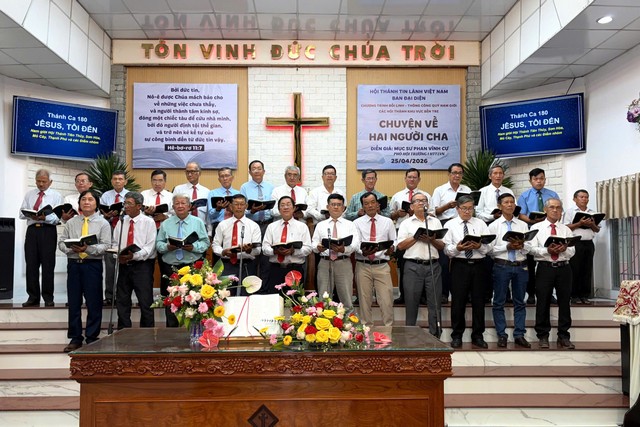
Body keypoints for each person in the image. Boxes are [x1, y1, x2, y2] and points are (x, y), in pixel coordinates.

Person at [58, 189, 111, 352]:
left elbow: (106, 245)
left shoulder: (103, 223)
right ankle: (75, 338)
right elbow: (61, 242)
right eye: (83, 199)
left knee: (94, 302)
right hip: (74, 264)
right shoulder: (71, 222)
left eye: (90, 199)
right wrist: (70, 249)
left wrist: (88, 249)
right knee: (74, 302)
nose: (86, 202)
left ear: (96, 203)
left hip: (92, 265)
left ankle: (92, 337)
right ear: (79, 203)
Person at [443, 195, 492, 349]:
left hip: (479, 265)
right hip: (460, 265)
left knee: (479, 301)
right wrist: (458, 248)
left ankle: (478, 335)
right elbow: (446, 249)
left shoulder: (481, 224)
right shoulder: (450, 225)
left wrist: (479, 246)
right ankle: (457, 335)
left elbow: (489, 247)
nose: (467, 211)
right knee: (458, 301)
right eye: (464, 208)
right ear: (457, 209)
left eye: (470, 208)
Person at [156, 194, 210, 327]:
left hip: (192, 266)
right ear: (173, 207)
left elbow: (205, 242)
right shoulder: (166, 224)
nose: (180, 206)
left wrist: (193, 247)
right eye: (177, 203)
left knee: (193, 299)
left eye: (183, 203)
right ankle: (171, 330)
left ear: (189, 206)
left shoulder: (197, 222)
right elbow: (158, 244)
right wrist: (167, 247)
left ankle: (193, 329)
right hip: (171, 267)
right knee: (171, 301)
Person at [529, 198, 576, 349]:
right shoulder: (536, 228)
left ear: (561, 210)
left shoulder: (566, 229)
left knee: (564, 302)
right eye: (552, 207)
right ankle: (543, 335)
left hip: (564, 268)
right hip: (545, 267)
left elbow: (572, 250)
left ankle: (563, 335)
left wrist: (564, 250)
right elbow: (530, 249)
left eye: (558, 208)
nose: (555, 210)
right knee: (543, 301)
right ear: (545, 210)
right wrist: (546, 251)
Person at [396, 193, 444, 338]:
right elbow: (400, 246)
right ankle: (410, 337)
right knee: (411, 303)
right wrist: (417, 236)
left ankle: (435, 336)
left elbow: (442, 246)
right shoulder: (406, 223)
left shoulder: (435, 222)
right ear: (411, 206)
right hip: (412, 266)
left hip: (433, 266)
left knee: (435, 303)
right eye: (418, 201)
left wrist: (431, 240)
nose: (421, 203)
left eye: (424, 200)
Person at [488, 193, 531, 348]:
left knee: (520, 301)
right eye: (506, 202)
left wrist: (522, 246)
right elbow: (489, 250)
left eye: (512, 202)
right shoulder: (493, 226)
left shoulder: (522, 225)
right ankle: (501, 334)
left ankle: (519, 334)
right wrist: (507, 246)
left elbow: (530, 247)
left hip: (520, 265)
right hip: (502, 265)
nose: (510, 205)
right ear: (499, 206)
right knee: (499, 301)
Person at [19, 169, 64, 307]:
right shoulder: (29, 194)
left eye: (44, 181)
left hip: (48, 231)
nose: (41, 184)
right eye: (38, 181)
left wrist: (46, 218)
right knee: (31, 264)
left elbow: (58, 218)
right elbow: (21, 213)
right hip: (32, 231)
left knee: (48, 265)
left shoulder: (56, 196)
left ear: (50, 182)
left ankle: (48, 297)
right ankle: (33, 297)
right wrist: (31, 215)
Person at [113, 192, 157, 330]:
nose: (125, 206)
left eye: (129, 203)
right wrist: (118, 256)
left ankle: (147, 334)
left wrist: (134, 256)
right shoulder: (121, 221)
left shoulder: (148, 222)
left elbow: (149, 248)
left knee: (145, 301)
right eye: (125, 203)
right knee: (122, 300)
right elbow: (115, 243)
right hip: (124, 264)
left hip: (142, 266)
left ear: (139, 206)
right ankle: (123, 331)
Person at [517, 168, 560, 305]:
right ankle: (531, 293)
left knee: (549, 263)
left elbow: (558, 211)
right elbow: (521, 214)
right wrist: (532, 221)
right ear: (530, 181)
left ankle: (550, 294)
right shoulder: (524, 196)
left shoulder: (552, 194)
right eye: (536, 179)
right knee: (530, 265)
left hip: (549, 231)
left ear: (545, 179)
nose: (539, 181)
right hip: (533, 230)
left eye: (541, 178)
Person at [354, 192, 397, 326]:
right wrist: (363, 251)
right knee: (364, 300)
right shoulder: (356, 223)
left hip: (382, 265)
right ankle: (366, 330)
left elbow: (394, 240)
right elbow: (355, 243)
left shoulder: (387, 222)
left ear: (378, 204)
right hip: (363, 265)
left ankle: (388, 329)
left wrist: (392, 248)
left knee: (386, 299)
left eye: (373, 202)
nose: (370, 205)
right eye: (366, 203)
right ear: (363, 207)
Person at [431, 163, 471, 305]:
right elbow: (434, 212)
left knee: (463, 258)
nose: (457, 175)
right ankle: (443, 293)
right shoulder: (439, 190)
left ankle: (463, 293)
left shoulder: (467, 189)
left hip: (463, 224)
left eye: (460, 173)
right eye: (454, 173)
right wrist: (448, 206)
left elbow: (472, 208)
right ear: (449, 174)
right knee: (444, 261)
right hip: (445, 223)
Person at [390, 168, 431, 305]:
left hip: (423, 233)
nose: (412, 179)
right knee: (403, 265)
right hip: (403, 233)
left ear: (419, 179)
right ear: (405, 178)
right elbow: (390, 215)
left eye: (414, 177)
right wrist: (398, 214)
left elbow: (432, 214)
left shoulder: (425, 196)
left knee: (423, 262)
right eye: (409, 177)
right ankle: (403, 295)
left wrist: (419, 211)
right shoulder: (397, 196)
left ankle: (423, 295)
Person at [312, 193, 360, 311]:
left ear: (343, 208)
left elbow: (355, 244)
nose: (336, 207)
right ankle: (323, 321)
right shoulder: (320, 225)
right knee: (323, 298)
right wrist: (318, 247)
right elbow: (313, 244)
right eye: (333, 204)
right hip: (325, 262)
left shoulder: (350, 225)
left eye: (339, 205)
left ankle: (348, 321)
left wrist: (344, 249)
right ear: (327, 207)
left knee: (346, 298)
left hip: (343, 262)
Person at [212, 194, 262, 292]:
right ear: (231, 206)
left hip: (246, 265)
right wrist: (223, 252)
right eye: (236, 204)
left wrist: (249, 250)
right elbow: (215, 244)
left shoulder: (254, 226)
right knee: (226, 294)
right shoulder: (223, 224)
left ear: (246, 206)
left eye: (242, 204)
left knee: (245, 295)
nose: (239, 207)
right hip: (227, 264)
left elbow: (258, 250)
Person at [262, 196, 312, 294]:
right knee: (276, 299)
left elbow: (308, 248)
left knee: (294, 300)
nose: (285, 207)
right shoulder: (271, 227)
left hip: (295, 269)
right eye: (282, 205)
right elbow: (264, 248)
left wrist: (294, 251)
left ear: (294, 208)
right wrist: (274, 251)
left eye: (288, 205)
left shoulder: (302, 226)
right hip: (275, 269)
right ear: (279, 209)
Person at [564, 189, 601, 305]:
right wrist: (579, 224)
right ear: (575, 199)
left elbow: (597, 229)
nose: (584, 199)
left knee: (587, 269)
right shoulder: (570, 212)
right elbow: (566, 227)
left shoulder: (592, 212)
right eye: (581, 197)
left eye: (586, 197)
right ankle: (574, 295)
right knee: (575, 269)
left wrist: (592, 224)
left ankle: (585, 295)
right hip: (575, 243)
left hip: (589, 243)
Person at [100, 170, 129, 306]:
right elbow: (99, 213)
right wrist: (106, 215)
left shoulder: (129, 195)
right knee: (110, 264)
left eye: (120, 179)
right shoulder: (106, 195)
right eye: (115, 179)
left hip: (125, 229)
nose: (117, 181)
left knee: (124, 262)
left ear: (125, 181)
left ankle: (123, 295)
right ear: (111, 181)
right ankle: (110, 295)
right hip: (109, 228)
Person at [240, 160, 275, 234]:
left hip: (268, 224)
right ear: (250, 172)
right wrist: (251, 211)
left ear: (263, 171)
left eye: (259, 169)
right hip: (251, 224)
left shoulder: (271, 187)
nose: (257, 171)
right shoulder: (244, 187)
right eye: (254, 169)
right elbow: (241, 208)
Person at [207, 167, 240, 238]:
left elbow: (243, 212)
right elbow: (210, 215)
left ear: (232, 178)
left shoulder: (238, 194)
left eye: (227, 176)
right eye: (222, 176)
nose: (225, 178)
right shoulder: (212, 193)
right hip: (218, 225)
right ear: (219, 179)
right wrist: (218, 209)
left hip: (235, 224)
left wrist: (233, 210)